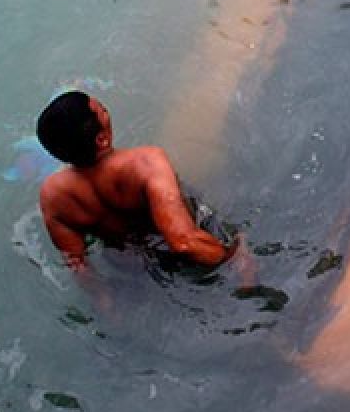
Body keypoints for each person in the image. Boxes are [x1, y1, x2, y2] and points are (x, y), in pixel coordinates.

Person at [35, 91, 240, 274]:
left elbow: (78, 265)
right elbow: (183, 242)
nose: (107, 113)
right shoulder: (146, 163)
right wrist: (235, 258)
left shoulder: (53, 196)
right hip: (192, 257)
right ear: (101, 140)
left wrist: (107, 306)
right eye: (103, 111)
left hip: (130, 268)